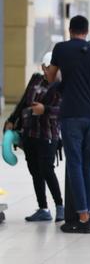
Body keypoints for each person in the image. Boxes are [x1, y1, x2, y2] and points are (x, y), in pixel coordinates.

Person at [46, 15, 90, 234]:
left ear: (70, 29)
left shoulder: (61, 49)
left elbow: (51, 79)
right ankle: (89, 216)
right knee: (89, 165)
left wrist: (46, 71)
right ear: (87, 30)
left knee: (74, 164)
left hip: (71, 115)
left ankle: (83, 216)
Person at [4, 52, 64, 222]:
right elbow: (24, 102)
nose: (50, 71)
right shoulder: (35, 80)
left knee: (47, 169)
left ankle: (60, 206)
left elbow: (62, 111)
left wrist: (44, 109)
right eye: (48, 67)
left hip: (48, 134)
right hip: (30, 133)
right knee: (35, 171)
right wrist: (12, 120)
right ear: (44, 67)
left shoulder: (62, 86)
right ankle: (43, 209)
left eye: (54, 68)